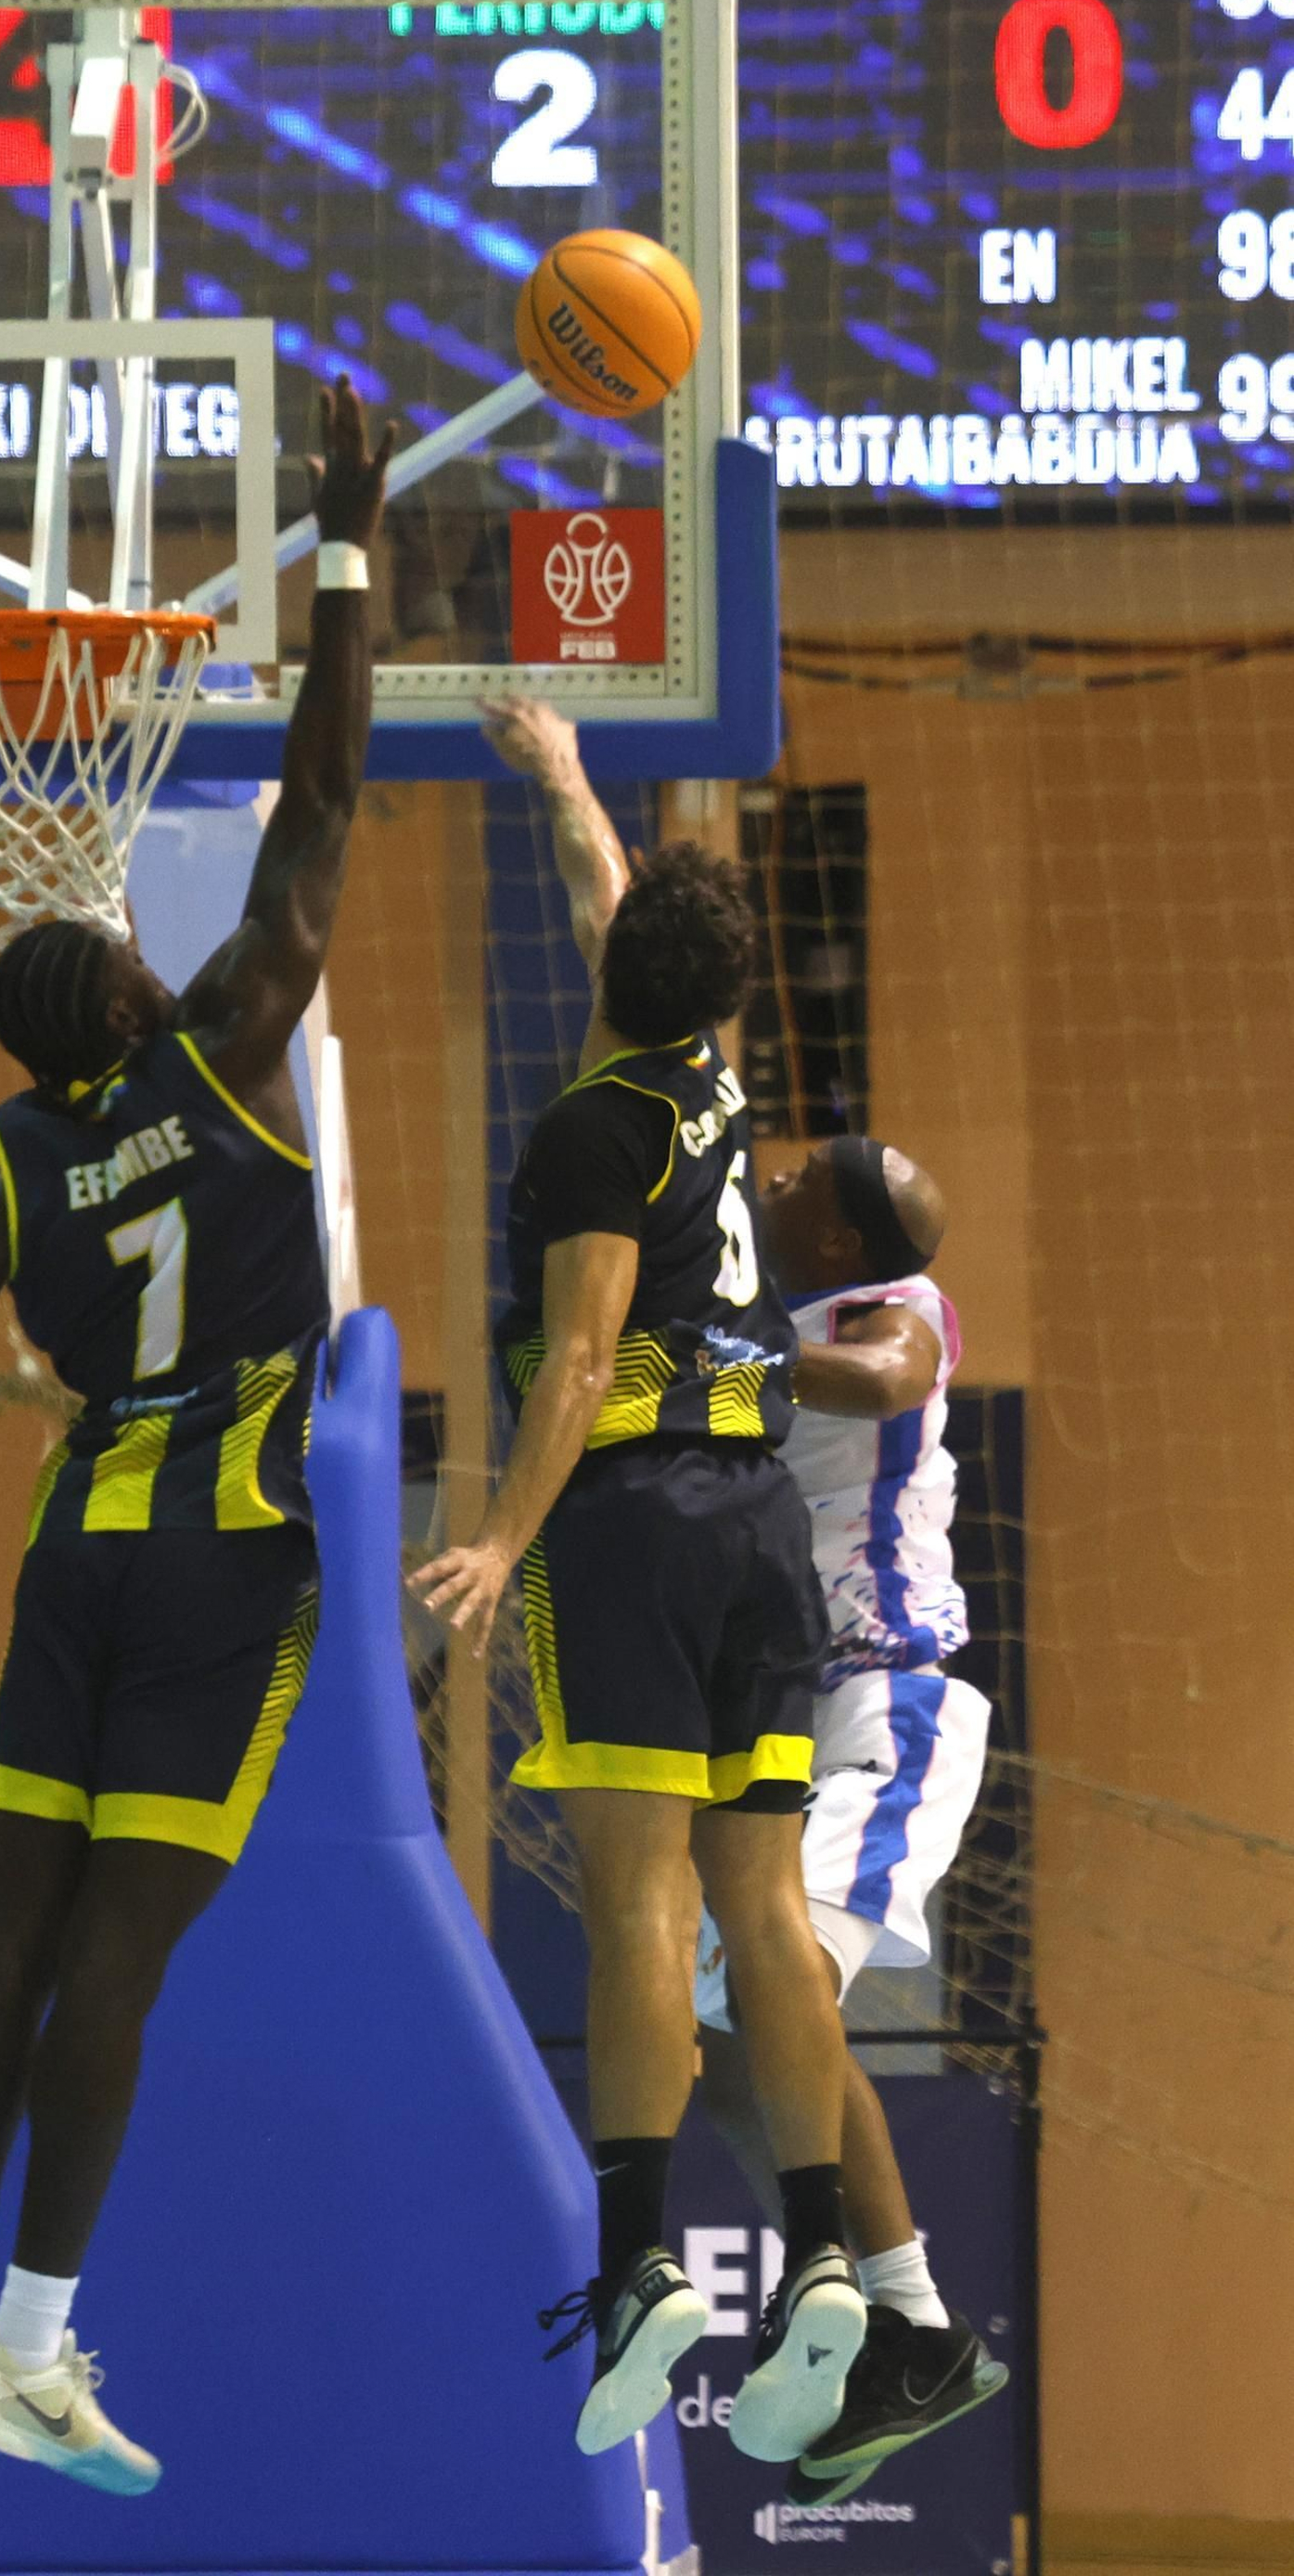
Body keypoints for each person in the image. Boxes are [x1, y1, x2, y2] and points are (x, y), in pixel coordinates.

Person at [0, 380, 393, 2493]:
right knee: (120, 1972)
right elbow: (321, 786)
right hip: (217, 1563)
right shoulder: (236, 1053)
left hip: (73, 1559)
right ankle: (37, 2346)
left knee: (11, 1956)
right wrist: (346, 542)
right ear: (138, 1003)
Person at [414, 699, 865, 2467]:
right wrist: (571, 775)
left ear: (614, 978)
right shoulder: (718, 1076)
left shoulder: (598, 1130)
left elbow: (583, 1359)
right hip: (767, 1525)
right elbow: (626, 909)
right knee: (767, 1915)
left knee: (633, 1909)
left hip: (640, 1523)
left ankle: (639, 2268)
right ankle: (823, 2252)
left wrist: (506, 1536)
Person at [693, 1137, 1007, 2503]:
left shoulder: (898, 1313)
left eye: (815, 1165)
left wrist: (711, 1362)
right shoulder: (749, 1289)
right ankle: (898, 2323)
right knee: (719, 2044)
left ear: (837, 1235)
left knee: (772, 2008)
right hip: (794, 1713)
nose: (785, 1160)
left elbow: (885, 1381)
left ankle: (909, 2320)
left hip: (890, 1712)